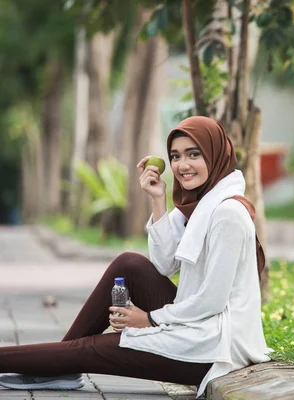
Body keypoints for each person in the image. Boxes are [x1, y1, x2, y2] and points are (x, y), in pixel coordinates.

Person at [0, 116, 271, 398]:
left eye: (194, 154)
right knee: (129, 264)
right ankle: (60, 366)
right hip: (198, 326)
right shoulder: (202, 204)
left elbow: (211, 302)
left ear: (215, 155)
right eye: (175, 156)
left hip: (214, 347)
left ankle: (59, 363)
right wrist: (157, 199)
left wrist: (149, 319)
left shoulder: (227, 213)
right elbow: (165, 264)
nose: (182, 165)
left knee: (88, 349)